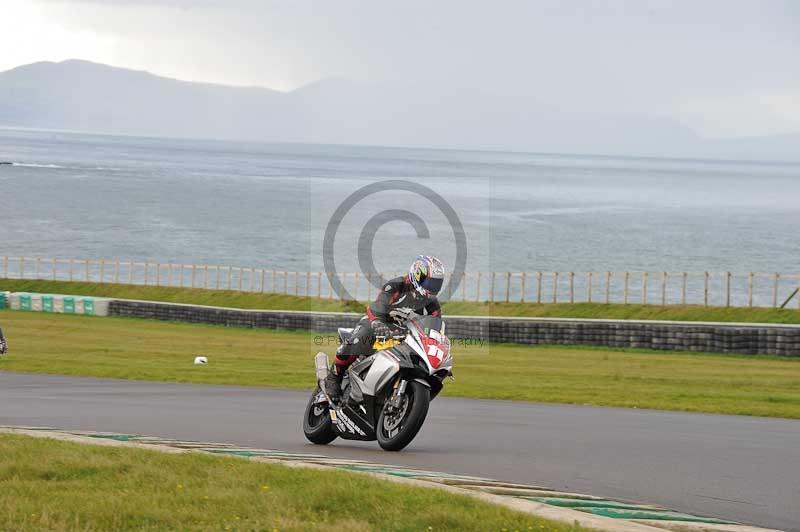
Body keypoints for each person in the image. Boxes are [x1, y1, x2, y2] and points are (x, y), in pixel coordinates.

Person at [324, 255, 445, 399]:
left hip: (404, 336)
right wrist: (377, 322)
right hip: (377, 324)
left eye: (437, 284)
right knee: (361, 338)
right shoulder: (397, 285)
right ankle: (334, 376)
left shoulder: (432, 304)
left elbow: (434, 327)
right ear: (418, 275)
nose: (433, 288)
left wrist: (436, 343)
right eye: (430, 283)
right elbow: (378, 305)